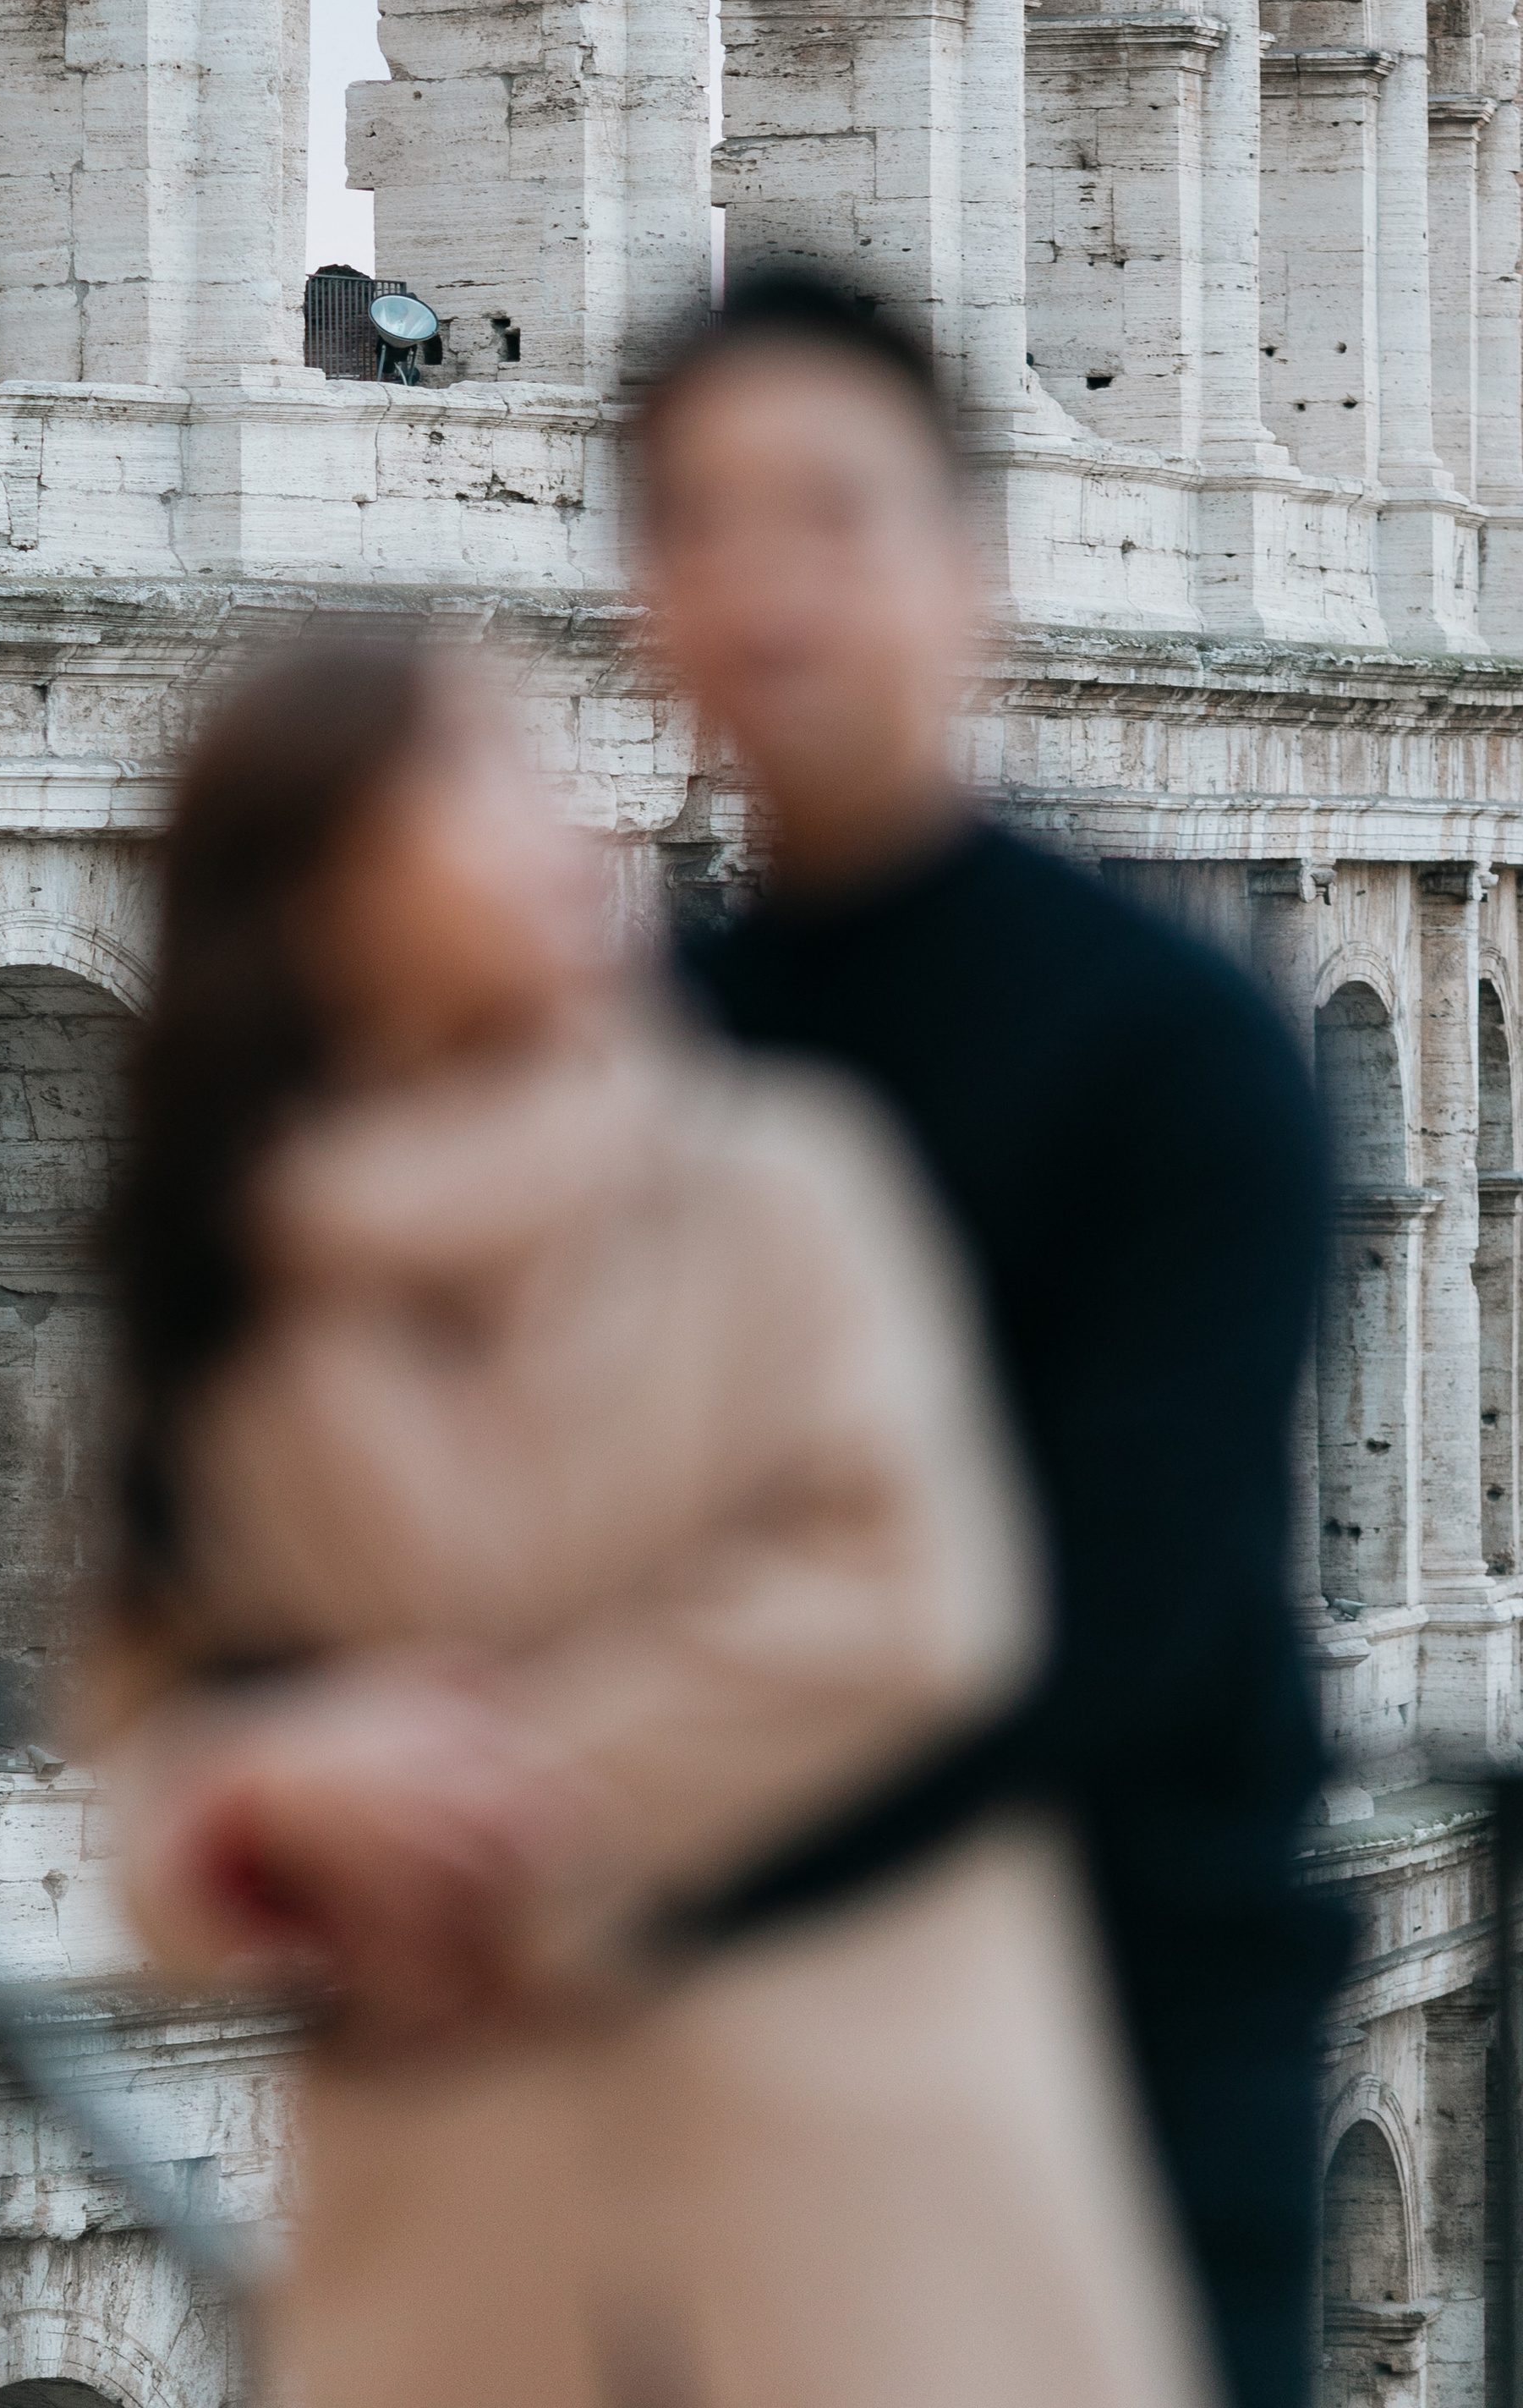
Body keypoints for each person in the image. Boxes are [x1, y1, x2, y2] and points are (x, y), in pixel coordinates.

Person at [95, 625, 1222, 2408]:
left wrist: (458, 1812)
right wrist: (257, 1803)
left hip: (850, 2159)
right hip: (463, 2223)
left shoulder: (774, 1174)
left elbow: (919, 1604)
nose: (560, 820)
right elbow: (143, 1782)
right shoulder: (219, 1300)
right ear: (320, 887)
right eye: (474, 777)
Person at [632, 268, 1344, 2408]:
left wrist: (572, 1827)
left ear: (966, 577)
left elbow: (1112, 1613)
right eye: (700, 525)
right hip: (721, 2040)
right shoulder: (645, 1055)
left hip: (1103, 2022)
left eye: (830, 518)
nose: (767, 588)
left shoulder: (1179, 1046)